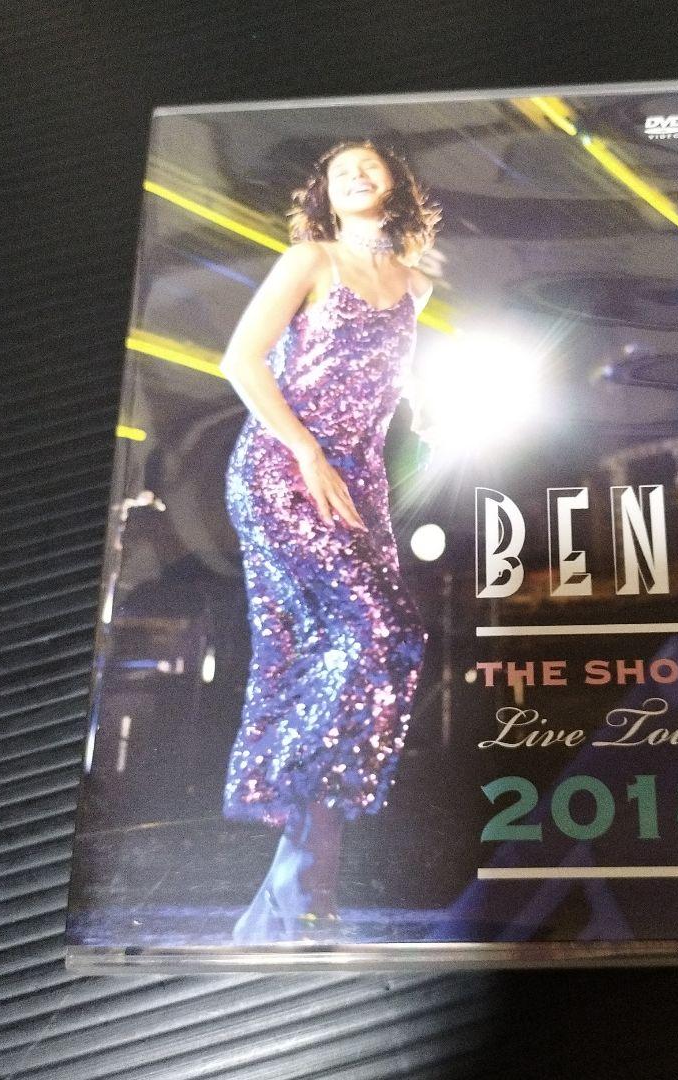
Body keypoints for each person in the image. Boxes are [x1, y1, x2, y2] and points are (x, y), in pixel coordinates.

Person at [219, 140, 442, 942]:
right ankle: (295, 868)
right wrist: (307, 451)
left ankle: (301, 891)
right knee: (379, 629)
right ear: (323, 192)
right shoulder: (310, 259)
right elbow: (240, 360)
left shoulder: (416, 286)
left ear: (396, 185)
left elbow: (380, 383)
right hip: (284, 467)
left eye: (369, 164)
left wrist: (422, 412)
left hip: (359, 484)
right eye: (339, 167)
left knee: (368, 652)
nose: (353, 172)